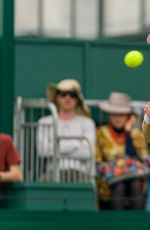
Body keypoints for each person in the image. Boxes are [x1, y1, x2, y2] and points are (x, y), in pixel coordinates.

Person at [96, 92, 149, 210]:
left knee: (135, 184)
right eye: (114, 113)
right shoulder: (100, 132)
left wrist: (128, 132)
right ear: (109, 114)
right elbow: (97, 161)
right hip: (109, 181)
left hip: (135, 178)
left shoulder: (136, 134)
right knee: (119, 186)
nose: (118, 118)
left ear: (128, 116)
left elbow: (142, 159)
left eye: (122, 114)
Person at [36, 79, 96, 181]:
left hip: (81, 173)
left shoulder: (88, 123)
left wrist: (57, 144)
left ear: (77, 100)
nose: (67, 98)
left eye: (72, 95)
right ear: (57, 98)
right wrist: (76, 144)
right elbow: (43, 151)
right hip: (53, 172)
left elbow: (87, 152)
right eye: (63, 94)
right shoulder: (44, 122)